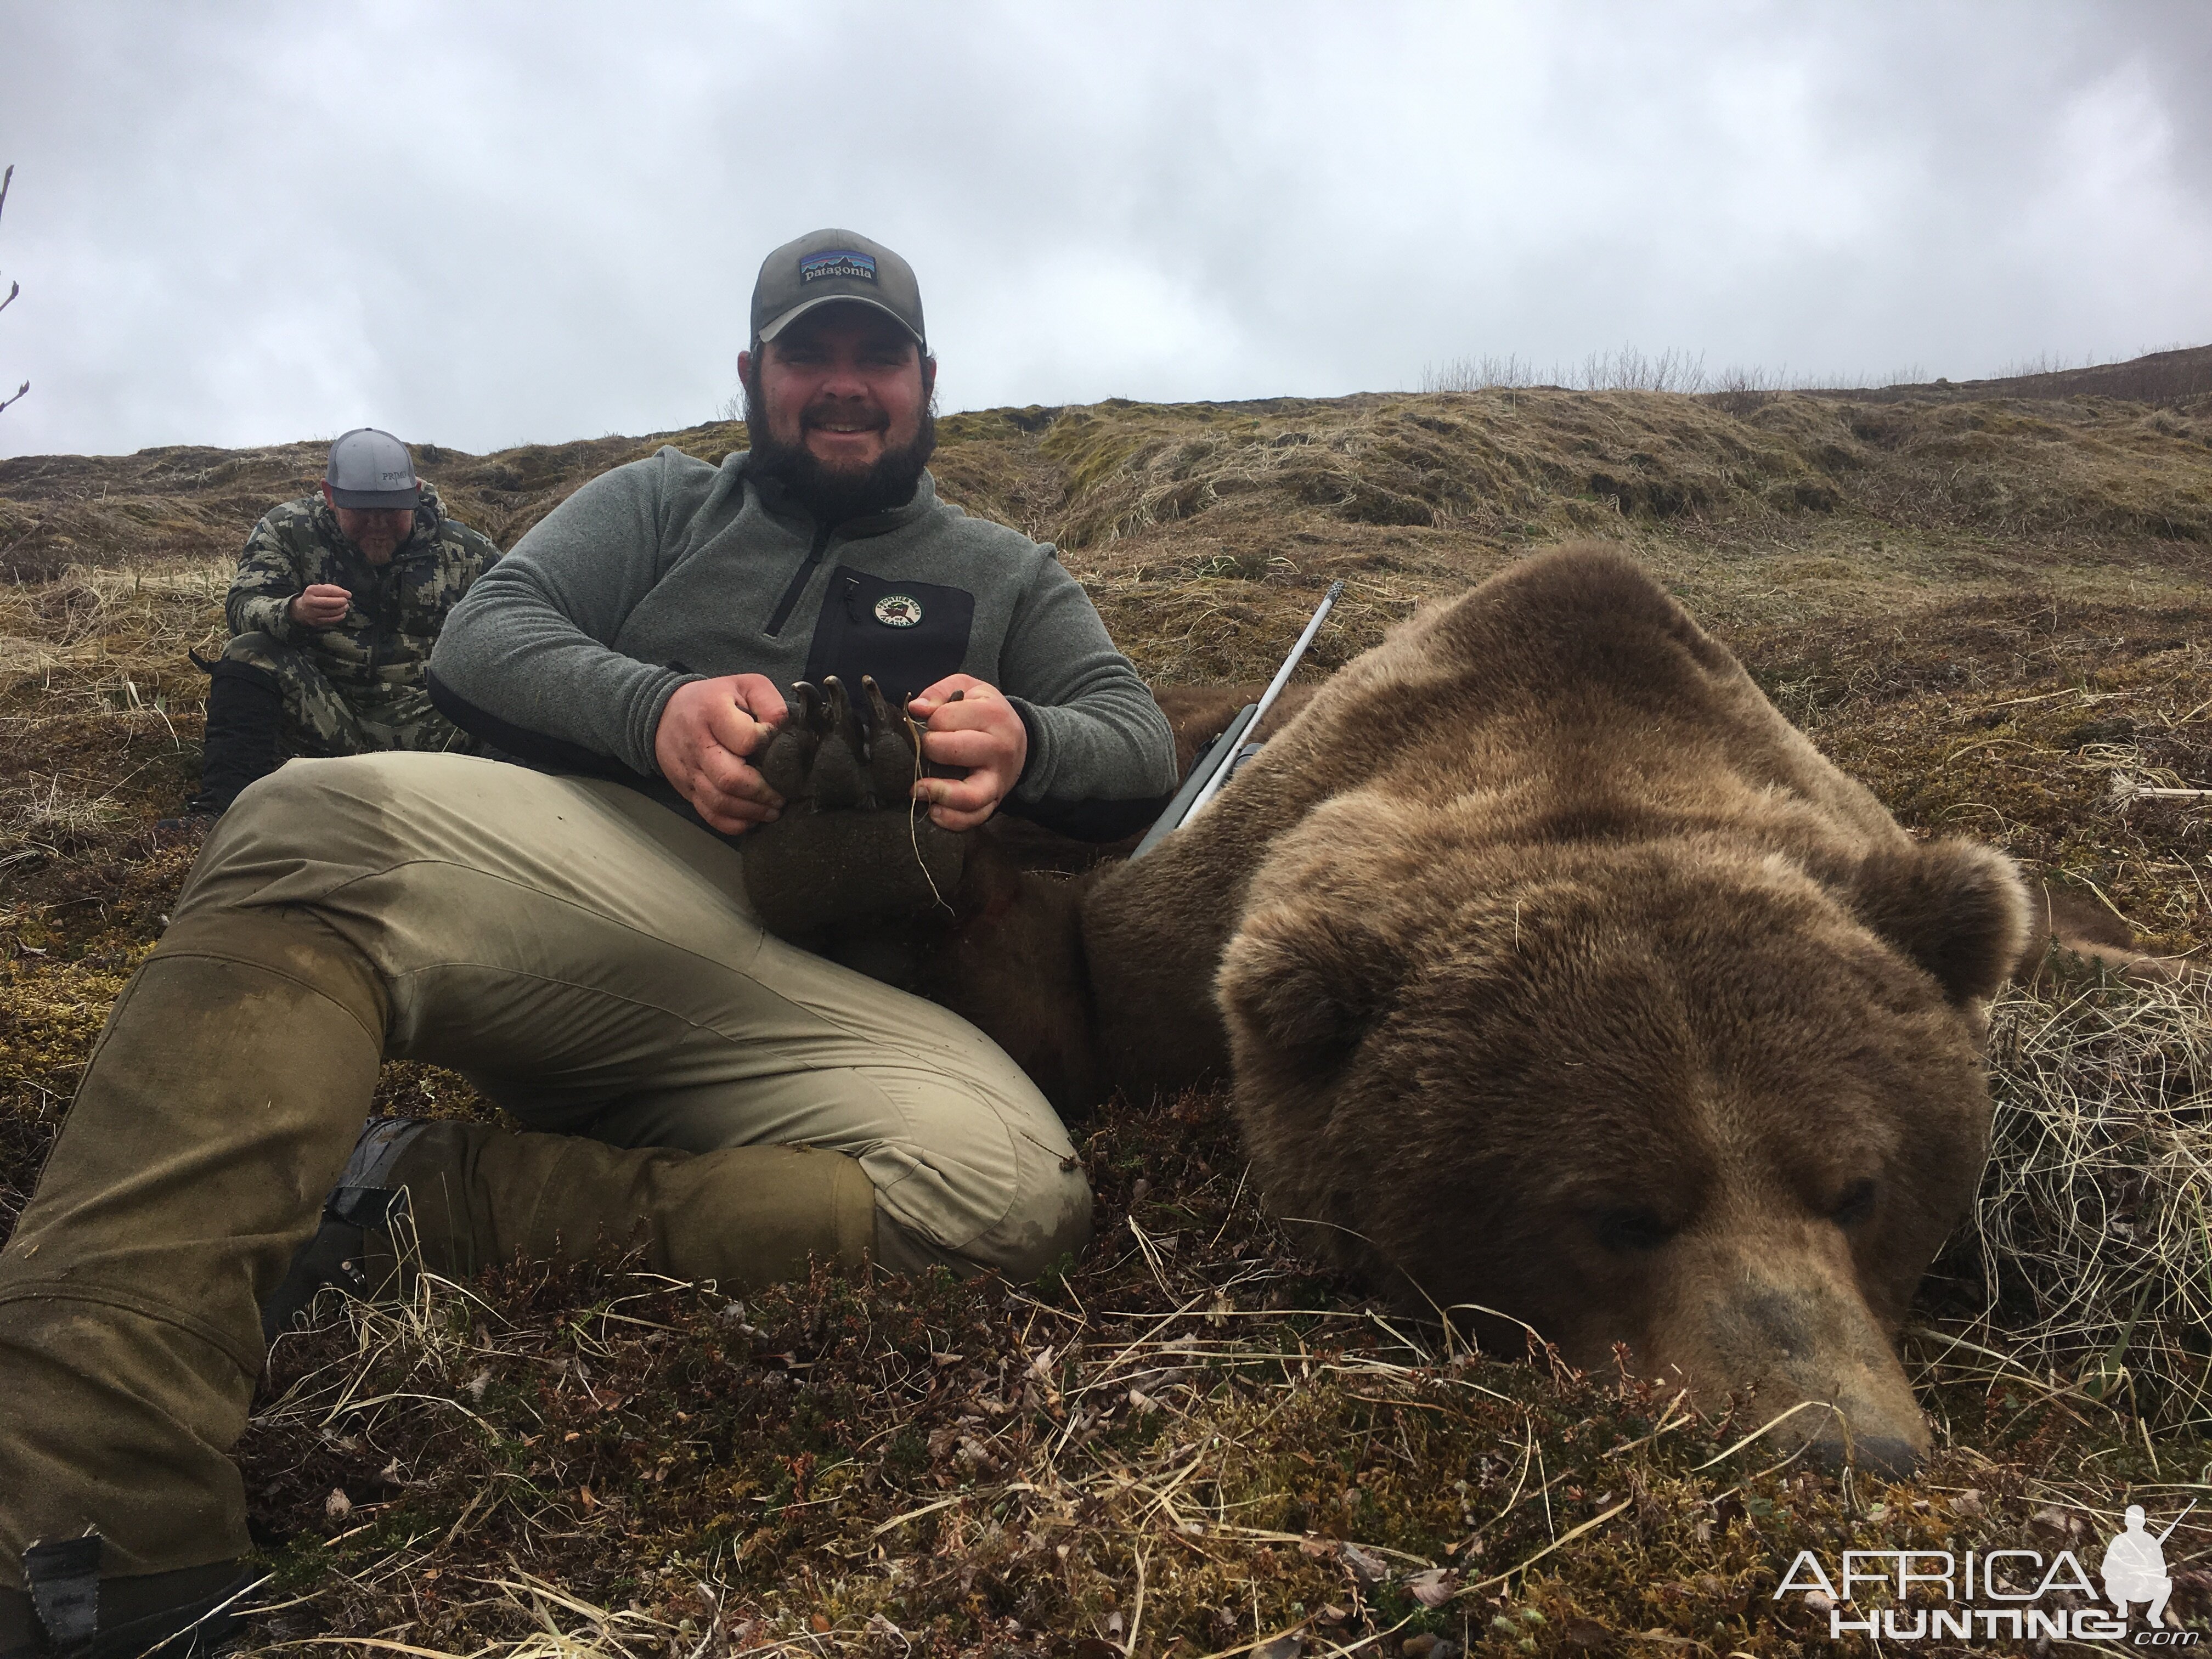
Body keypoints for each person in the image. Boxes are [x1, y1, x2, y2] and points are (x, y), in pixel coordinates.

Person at [0, 228, 1177, 1657]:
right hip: (604, 883)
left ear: (928, 382)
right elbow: (490, 631)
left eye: (879, 359)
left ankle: (406, 1201)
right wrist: (656, 715)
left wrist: (1032, 735)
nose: (846, 385)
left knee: (1009, 1202)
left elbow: (1138, 745)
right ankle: (96, 1532)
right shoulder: (661, 505)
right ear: (756, 375)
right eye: (813, 356)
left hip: (836, 1001)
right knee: (310, 823)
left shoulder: (1011, 575)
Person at [184, 428, 501, 816]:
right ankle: (222, 812)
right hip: (327, 717)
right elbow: (243, 607)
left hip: (436, 729)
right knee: (249, 653)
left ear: (416, 493)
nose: (379, 525)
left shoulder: (470, 553)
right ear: (330, 496)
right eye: (363, 512)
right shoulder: (287, 531)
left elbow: (517, 625)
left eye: (391, 511)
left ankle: (512, 810)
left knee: (512, 681)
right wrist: (293, 612)